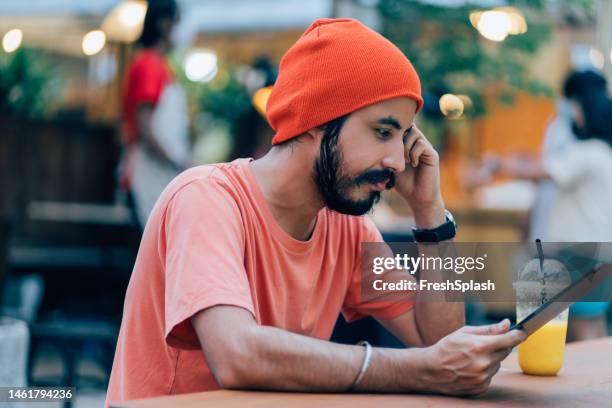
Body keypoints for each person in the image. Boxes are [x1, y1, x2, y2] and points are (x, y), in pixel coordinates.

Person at [105, 18, 525, 406]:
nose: (399, 161)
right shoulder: (205, 199)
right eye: (383, 132)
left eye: (403, 139)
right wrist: (415, 370)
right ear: (316, 118)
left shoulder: (347, 227)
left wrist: (431, 215)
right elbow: (236, 354)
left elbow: (439, 343)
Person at [470, 70, 612, 341]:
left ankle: (592, 382)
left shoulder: (589, 152)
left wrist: (497, 163)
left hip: (580, 251)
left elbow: (542, 171)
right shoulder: (604, 152)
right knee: (594, 325)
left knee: (582, 329)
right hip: (597, 250)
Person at [119, 0, 191, 229]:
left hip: (161, 174)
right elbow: (145, 127)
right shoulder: (148, 65)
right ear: (164, 24)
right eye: (179, 21)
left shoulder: (161, 65)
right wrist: (178, 162)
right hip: (146, 175)